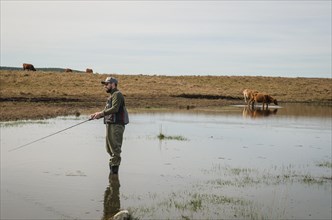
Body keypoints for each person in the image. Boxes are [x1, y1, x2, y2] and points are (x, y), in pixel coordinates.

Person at [90, 76, 128, 174]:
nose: (105, 86)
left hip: (116, 126)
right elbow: (107, 111)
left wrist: (101, 114)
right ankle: (112, 178)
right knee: (109, 149)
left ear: (113, 84)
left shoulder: (117, 94)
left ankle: (114, 178)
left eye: (107, 84)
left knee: (115, 151)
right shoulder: (111, 96)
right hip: (110, 125)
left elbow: (115, 109)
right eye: (104, 84)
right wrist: (96, 115)